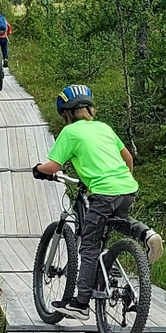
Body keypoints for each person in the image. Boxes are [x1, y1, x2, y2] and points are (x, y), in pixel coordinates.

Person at [33, 85, 140, 313]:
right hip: (127, 189)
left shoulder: (70, 132)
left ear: (67, 113)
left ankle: (81, 303)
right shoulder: (104, 128)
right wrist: (123, 181)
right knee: (116, 222)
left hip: (102, 193)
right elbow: (128, 157)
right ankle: (145, 234)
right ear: (90, 109)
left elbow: (54, 166)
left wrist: (38, 169)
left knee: (89, 247)